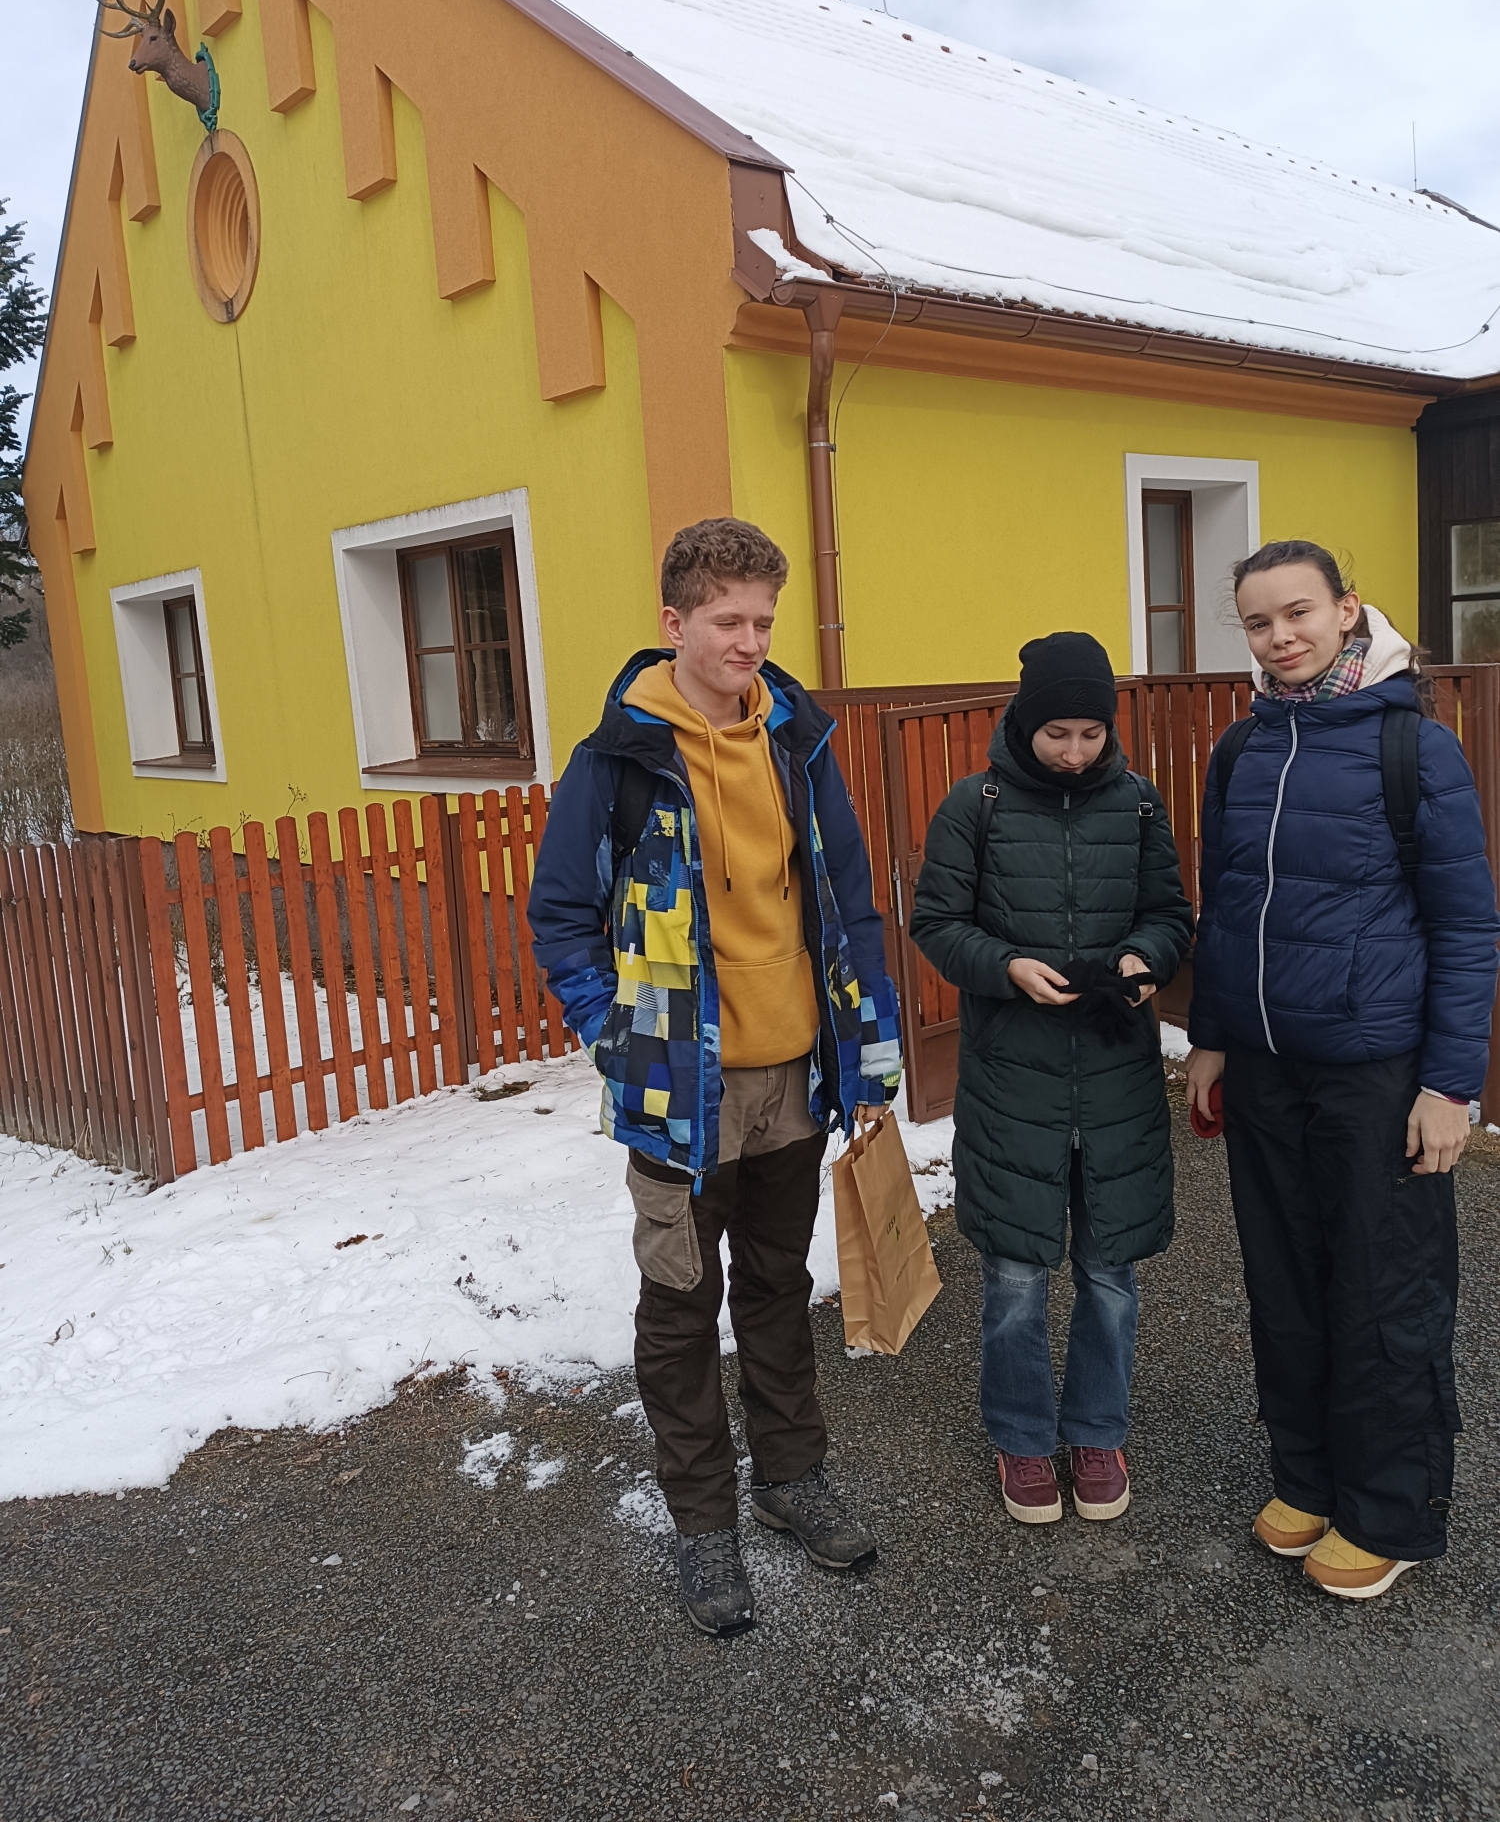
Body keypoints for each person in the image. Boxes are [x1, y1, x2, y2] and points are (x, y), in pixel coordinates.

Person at [528, 517, 902, 1637]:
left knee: (779, 1287)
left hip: (793, 1074)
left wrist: (868, 1044)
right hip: (674, 1093)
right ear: (674, 622)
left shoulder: (798, 741)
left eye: (764, 621)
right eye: (728, 620)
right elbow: (561, 915)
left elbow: (849, 901)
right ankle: (702, 1522)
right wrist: (608, 1031)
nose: (750, 642)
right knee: (681, 1308)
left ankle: (790, 1479)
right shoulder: (618, 759)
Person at [1185, 539, 1500, 1600]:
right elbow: (1230, 906)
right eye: (1259, 621)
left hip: (1377, 1070)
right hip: (1268, 1069)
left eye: (1298, 613)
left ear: (1347, 610)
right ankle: (1309, 1479)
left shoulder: (1414, 746)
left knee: (1382, 1292)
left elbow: (1467, 927)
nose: (1280, 636)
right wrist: (1213, 1035)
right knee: (1284, 1285)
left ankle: (1387, 1510)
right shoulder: (1243, 746)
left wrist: (1450, 1086)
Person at [909, 633, 1193, 1525]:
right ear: (1025, 723)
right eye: (1057, 733)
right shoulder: (976, 805)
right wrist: (1006, 966)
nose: (1074, 751)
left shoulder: (1139, 803)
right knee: (1015, 1276)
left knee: (1110, 1275)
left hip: (1116, 1078)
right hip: (1012, 1080)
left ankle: (1098, 1431)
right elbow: (936, 922)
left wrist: (1146, 957)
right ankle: (1024, 1438)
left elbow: (1169, 914)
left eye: (1091, 734)